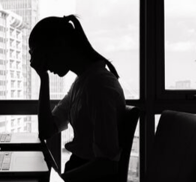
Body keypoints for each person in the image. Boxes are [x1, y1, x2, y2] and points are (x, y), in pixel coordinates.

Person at [29, 15, 126, 182]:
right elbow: (46, 130)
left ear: (59, 45)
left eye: (41, 54)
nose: (40, 62)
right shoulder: (83, 82)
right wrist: (43, 78)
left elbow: (107, 165)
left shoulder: (99, 85)